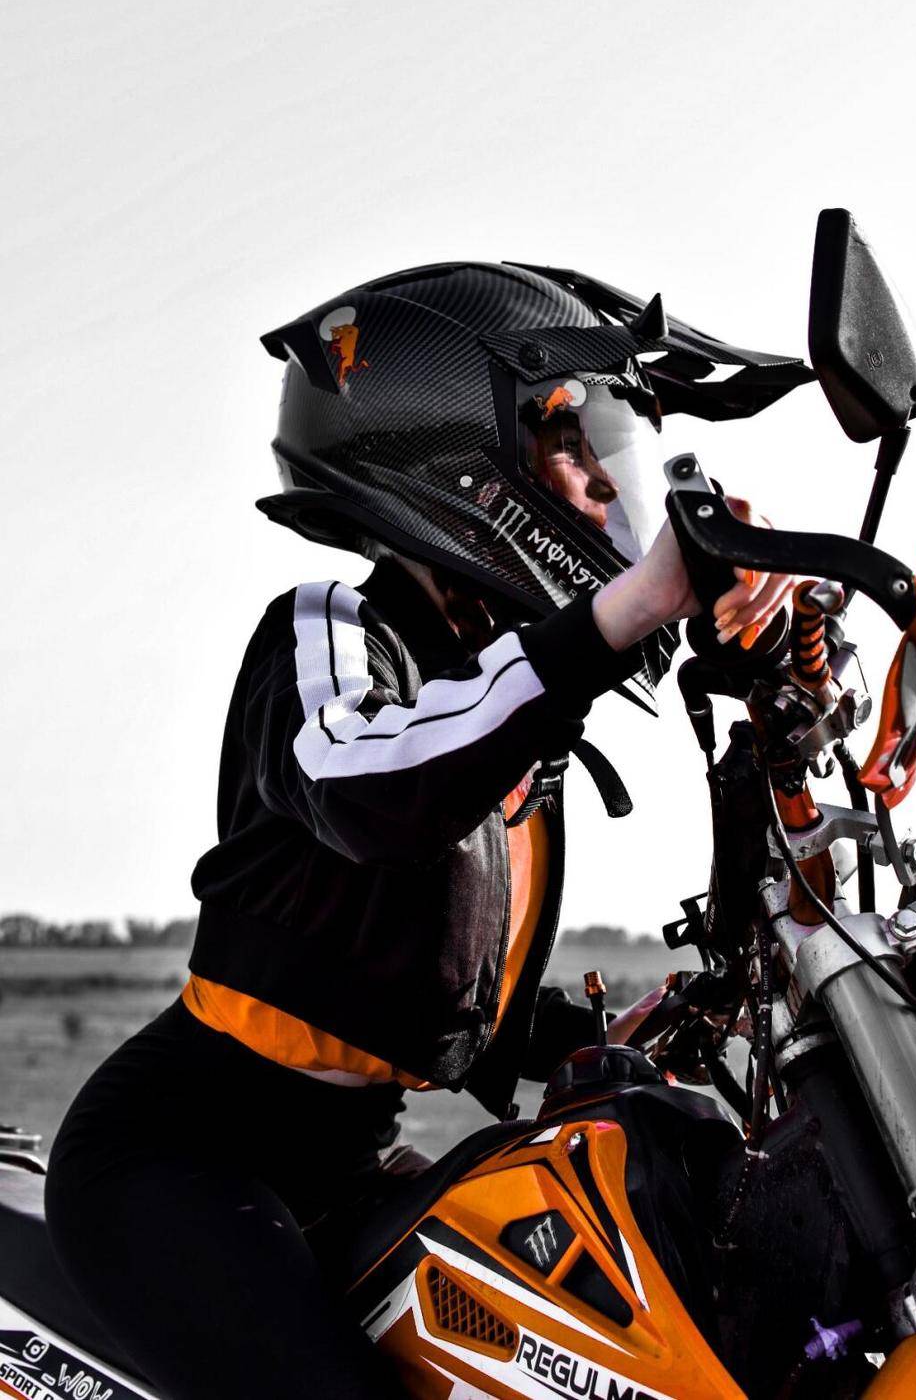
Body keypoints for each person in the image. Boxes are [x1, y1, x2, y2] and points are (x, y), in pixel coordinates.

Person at [44, 262, 795, 1399]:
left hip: (345, 1168)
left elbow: (432, 984)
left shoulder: (498, 706)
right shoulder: (333, 631)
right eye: (569, 442)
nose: (605, 484)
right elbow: (365, 791)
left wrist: (634, 1024)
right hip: (179, 1162)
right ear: (464, 462)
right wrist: (623, 613)